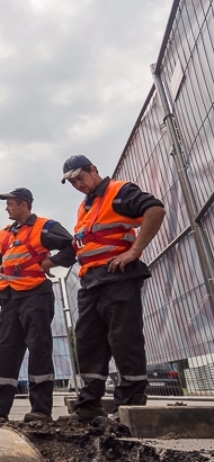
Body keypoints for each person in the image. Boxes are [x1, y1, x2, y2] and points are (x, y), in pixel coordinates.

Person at [61, 154, 165, 421]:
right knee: (87, 342)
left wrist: (134, 251)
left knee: (123, 339)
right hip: (91, 283)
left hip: (117, 279)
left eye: (80, 178)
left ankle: (129, 403)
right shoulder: (85, 207)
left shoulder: (119, 192)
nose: (78, 186)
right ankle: (89, 406)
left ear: (93, 170)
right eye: (72, 183)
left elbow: (155, 210)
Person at [0, 188, 75, 423]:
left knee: (39, 349)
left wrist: (51, 262)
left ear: (23, 204)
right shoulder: (3, 234)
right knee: (6, 351)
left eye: (10, 203)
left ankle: (41, 410)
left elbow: (72, 247)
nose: (6, 208)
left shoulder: (45, 227)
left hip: (36, 296)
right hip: (9, 299)